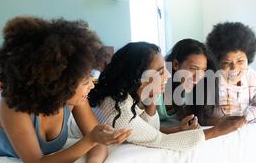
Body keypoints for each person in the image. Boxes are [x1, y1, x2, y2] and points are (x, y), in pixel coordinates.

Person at [0, 17, 131, 163]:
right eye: (86, 82)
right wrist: (90, 140)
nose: (91, 86)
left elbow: (98, 140)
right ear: (61, 83)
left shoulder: (76, 97)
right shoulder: (11, 105)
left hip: (5, 118)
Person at [88, 41, 246, 152]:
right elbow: (159, 140)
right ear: (137, 76)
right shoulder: (117, 110)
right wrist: (221, 130)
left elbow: (151, 130)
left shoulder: (124, 99)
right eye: (160, 71)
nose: (168, 74)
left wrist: (151, 99)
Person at [206, 22, 256, 123]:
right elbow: (205, 117)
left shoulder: (252, 77)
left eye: (240, 61)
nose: (234, 67)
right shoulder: (211, 80)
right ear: (217, 63)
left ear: (248, 58)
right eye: (227, 62)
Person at [158, 38, 218, 131]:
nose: (198, 77)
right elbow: (141, 128)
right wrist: (177, 130)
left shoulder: (190, 93)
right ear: (175, 65)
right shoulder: (156, 89)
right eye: (193, 68)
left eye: (203, 70)